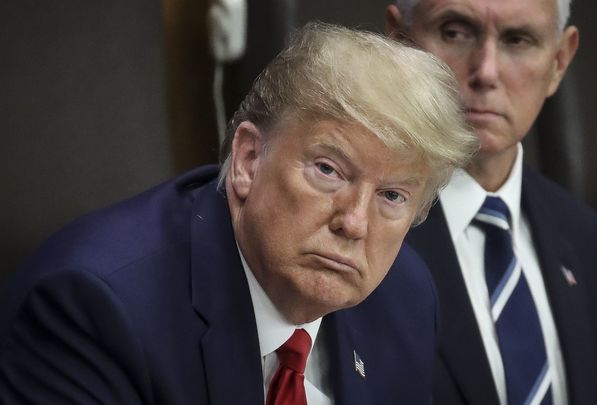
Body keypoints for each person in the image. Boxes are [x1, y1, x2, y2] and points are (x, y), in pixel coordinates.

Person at [0, 22, 477, 404]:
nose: (354, 222)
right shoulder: (93, 309)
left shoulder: (406, 298)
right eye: (329, 170)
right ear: (249, 159)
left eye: (392, 196)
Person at [385, 1, 597, 404]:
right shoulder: (351, 232)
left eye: (518, 40)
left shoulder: (595, 247)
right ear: (399, 42)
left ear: (559, 62)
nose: (486, 72)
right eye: (455, 32)